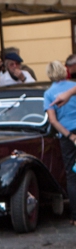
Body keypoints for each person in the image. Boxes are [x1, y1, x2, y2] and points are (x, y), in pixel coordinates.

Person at [44, 61, 76, 226]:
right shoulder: (74, 86)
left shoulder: (49, 93)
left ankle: (75, 215)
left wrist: (70, 136)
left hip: (67, 135)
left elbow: (53, 121)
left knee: (72, 176)